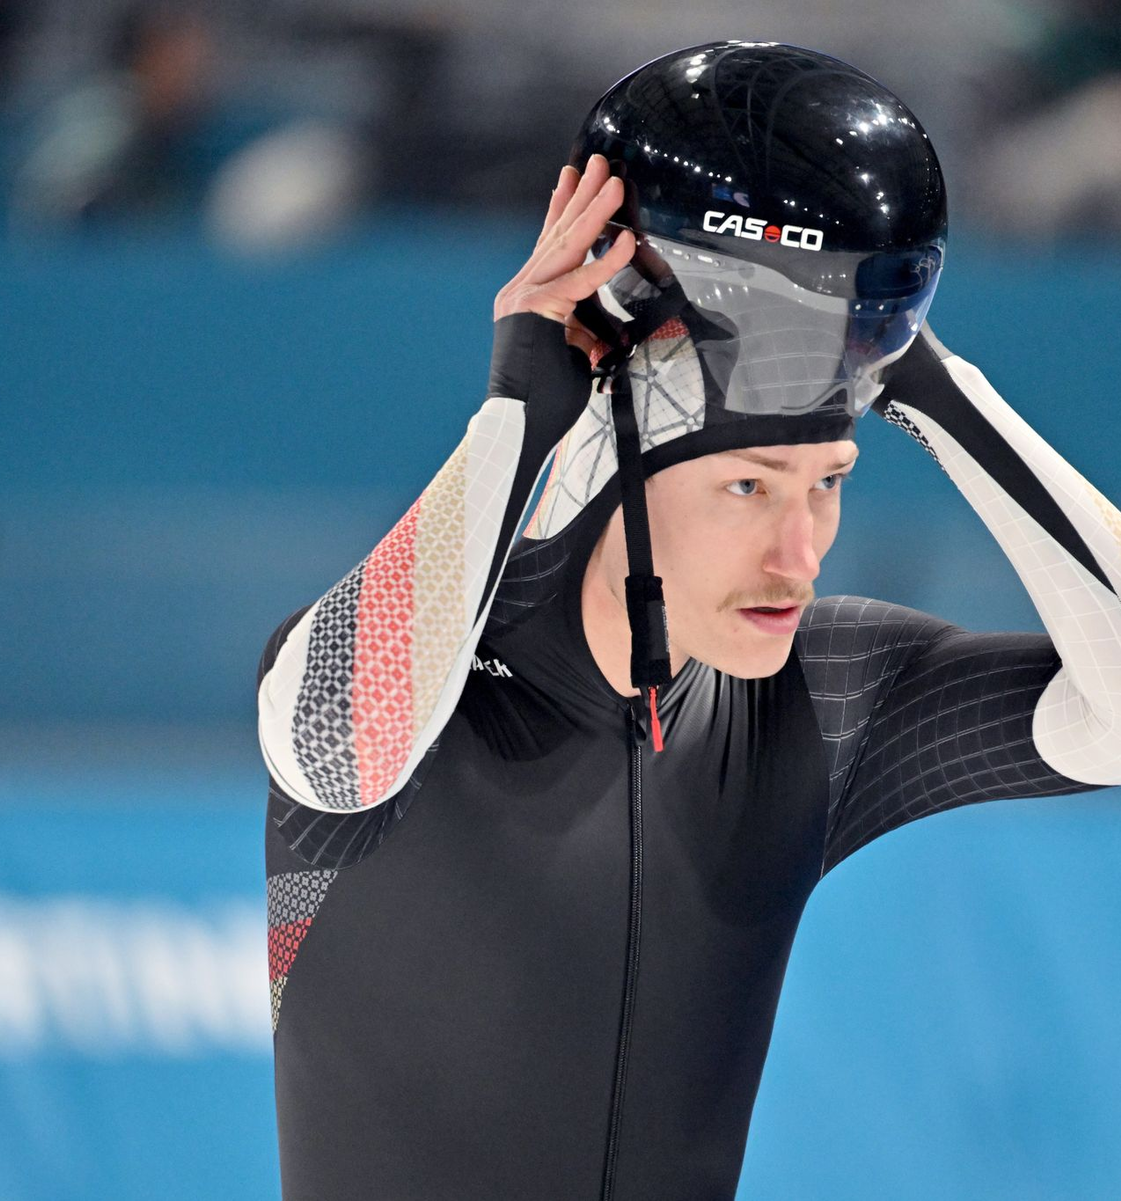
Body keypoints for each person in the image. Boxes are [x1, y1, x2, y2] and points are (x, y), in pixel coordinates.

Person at [256, 42, 1121, 1201]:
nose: (800, 551)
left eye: (831, 483)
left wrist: (929, 382)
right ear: (622, 450)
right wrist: (522, 407)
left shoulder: (821, 703)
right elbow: (336, 746)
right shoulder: (421, 680)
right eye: (751, 487)